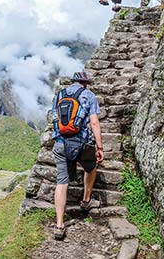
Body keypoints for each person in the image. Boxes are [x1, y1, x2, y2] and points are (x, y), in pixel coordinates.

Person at [51, 71, 104, 240]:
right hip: (82, 144)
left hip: (60, 144)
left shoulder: (59, 95)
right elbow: (94, 122)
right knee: (91, 166)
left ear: (73, 82)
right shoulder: (88, 95)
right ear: (85, 83)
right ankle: (86, 200)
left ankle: (59, 225)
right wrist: (100, 146)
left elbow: (54, 119)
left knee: (62, 181)